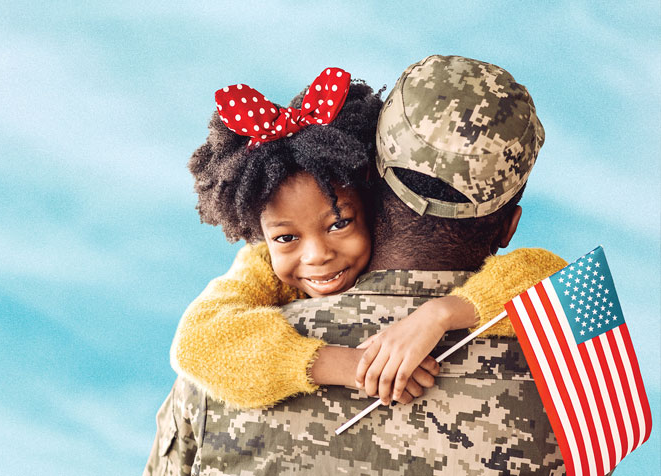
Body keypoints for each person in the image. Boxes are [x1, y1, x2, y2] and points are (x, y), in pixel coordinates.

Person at [145, 55, 567, 475]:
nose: (315, 256)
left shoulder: (209, 389)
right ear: (510, 226)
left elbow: (548, 274)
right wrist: (346, 365)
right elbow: (198, 339)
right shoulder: (567, 375)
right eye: (286, 238)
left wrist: (439, 316)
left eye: (337, 224)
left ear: (370, 189)